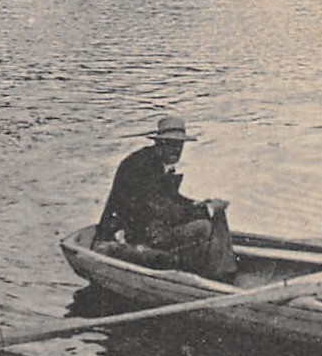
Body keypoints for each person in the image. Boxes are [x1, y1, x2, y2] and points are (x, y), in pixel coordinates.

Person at [95, 115, 238, 282]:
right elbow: (159, 209)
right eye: (171, 145)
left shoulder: (158, 162)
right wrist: (205, 210)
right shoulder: (139, 167)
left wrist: (198, 204)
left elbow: (170, 199)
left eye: (179, 146)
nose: (176, 151)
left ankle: (224, 272)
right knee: (204, 227)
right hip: (133, 233)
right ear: (159, 143)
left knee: (216, 215)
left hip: (152, 225)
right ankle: (211, 277)